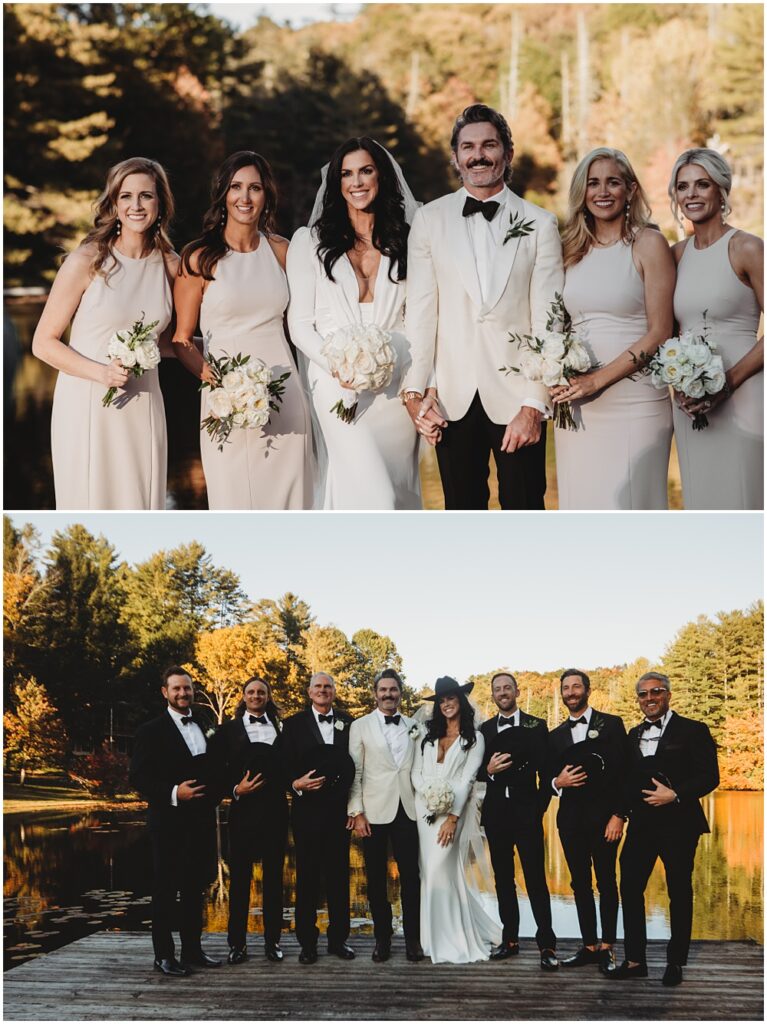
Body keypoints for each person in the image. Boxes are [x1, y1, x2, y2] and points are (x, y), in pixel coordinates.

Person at [401, 103, 564, 509]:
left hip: (517, 398)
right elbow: (421, 314)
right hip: (450, 400)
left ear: (507, 153)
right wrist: (416, 393)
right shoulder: (429, 220)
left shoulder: (540, 224)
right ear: (455, 156)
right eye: (468, 147)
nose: (478, 155)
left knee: (525, 509)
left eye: (489, 145)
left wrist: (534, 403)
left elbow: (550, 320)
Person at [32, 157, 177, 509]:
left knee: (140, 502)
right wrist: (102, 373)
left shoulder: (172, 265)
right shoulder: (87, 261)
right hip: (87, 402)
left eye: (146, 196)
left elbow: (167, 342)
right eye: (126, 196)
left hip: (143, 403)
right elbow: (43, 343)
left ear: (161, 204)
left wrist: (227, 351)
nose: (136, 205)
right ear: (113, 204)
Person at [286, 137, 421, 509]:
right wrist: (340, 366)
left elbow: (419, 321)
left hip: (395, 385)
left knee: (396, 492)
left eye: (366, 171)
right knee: (375, 493)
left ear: (382, 176)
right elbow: (300, 325)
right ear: (336, 183)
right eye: (346, 174)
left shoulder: (409, 239)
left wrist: (414, 384)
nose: (357, 182)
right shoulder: (308, 243)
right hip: (335, 385)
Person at [173, 151, 312, 509]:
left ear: (267, 195)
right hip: (225, 398)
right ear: (223, 194)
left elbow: (301, 322)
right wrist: (218, 384)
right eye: (236, 187)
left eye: (255, 188)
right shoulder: (199, 258)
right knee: (235, 498)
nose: (245, 198)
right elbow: (182, 341)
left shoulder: (282, 251)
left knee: (291, 498)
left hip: (285, 390)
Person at [551, 148, 675, 509]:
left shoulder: (648, 243)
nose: (602, 192)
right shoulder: (569, 250)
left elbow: (660, 332)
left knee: (633, 508)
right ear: (582, 192)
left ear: (630, 190)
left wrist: (597, 380)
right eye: (593, 183)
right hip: (578, 408)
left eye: (613, 182)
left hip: (634, 403)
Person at [609, 672, 719, 986]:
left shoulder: (694, 730)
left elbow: (710, 776)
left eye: (655, 692)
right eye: (643, 694)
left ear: (668, 694)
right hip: (641, 826)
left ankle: (675, 962)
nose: (649, 698)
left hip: (680, 825)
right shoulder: (633, 734)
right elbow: (626, 782)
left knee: (679, 892)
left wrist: (676, 794)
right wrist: (619, 814)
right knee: (629, 888)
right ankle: (634, 960)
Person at [668, 148, 763, 509]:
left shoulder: (747, 248)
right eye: (683, 186)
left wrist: (729, 382)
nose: (691, 194)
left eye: (702, 184)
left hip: (744, 395)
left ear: (721, 190)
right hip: (691, 405)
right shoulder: (674, 255)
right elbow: (669, 332)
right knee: (701, 499)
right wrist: (678, 383)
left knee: (744, 496)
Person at [129, 667, 222, 976]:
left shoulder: (204, 724)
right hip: (168, 822)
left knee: (195, 888)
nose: (183, 693)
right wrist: (174, 793)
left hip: (201, 822)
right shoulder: (150, 731)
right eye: (177, 689)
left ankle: (193, 950)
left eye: (187, 688)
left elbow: (211, 767)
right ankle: (164, 956)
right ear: (165, 692)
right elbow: (139, 777)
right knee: (166, 890)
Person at [411, 676, 501, 963]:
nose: (447, 704)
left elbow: (466, 780)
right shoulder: (427, 735)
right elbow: (416, 773)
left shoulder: (474, 739)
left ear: (461, 702)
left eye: (452, 699)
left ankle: (451, 938)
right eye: (442, 700)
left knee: (440, 868)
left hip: (452, 812)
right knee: (429, 871)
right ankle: (428, 938)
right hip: (424, 808)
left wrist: (451, 817)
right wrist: (429, 793)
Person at [547, 669, 628, 973]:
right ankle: (589, 946)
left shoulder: (612, 725)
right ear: (562, 693)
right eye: (566, 687)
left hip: (606, 821)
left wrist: (619, 815)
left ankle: (608, 947)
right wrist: (558, 781)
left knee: (607, 882)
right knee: (579, 883)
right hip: (570, 823)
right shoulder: (554, 737)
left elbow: (625, 775)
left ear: (588, 689)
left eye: (576, 686)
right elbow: (545, 781)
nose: (571, 692)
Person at [479, 672, 557, 970]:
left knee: (536, 879)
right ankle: (509, 940)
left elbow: (548, 772)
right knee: (503, 880)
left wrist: (538, 809)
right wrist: (488, 769)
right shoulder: (484, 729)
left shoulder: (537, 725)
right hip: (496, 813)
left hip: (527, 812)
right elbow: (474, 773)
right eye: (497, 689)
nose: (503, 693)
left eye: (507, 688)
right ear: (493, 694)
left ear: (517, 691)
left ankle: (547, 945)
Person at [209, 677, 288, 964]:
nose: (256, 696)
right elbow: (216, 774)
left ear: (268, 697)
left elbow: (288, 768)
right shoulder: (227, 731)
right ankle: (237, 945)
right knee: (240, 881)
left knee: (274, 881)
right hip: (242, 813)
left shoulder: (282, 728)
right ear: (244, 697)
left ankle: (272, 942)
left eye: (261, 692)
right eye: (251, 692)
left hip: (276, 813)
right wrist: (234, 790)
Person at [347, 669, 423, 963]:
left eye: (394, 689)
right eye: (384, 690)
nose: (389, 694)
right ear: (375, 693)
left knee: (412, 878)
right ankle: (382, 939)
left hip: (408, 809)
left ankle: (413, 939)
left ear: (400, 693)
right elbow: (356, 772)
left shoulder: (415, 726)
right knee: (376, 878)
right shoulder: (360, 726)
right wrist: (357, 812)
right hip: (374, 812)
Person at [280, 673, 355, 963]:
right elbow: (283, 765)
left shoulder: (349, 723)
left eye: (328, 686)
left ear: (334, 691)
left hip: (339, 814)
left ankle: (338, 941)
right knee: (307, 878)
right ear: (309, 692)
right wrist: (296, 785)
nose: (323, 691)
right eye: (318, 687)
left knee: (339, 878)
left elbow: (356, 766)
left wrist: (353, 808)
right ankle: (307, 944)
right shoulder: (293, 724)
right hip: (306, 813)